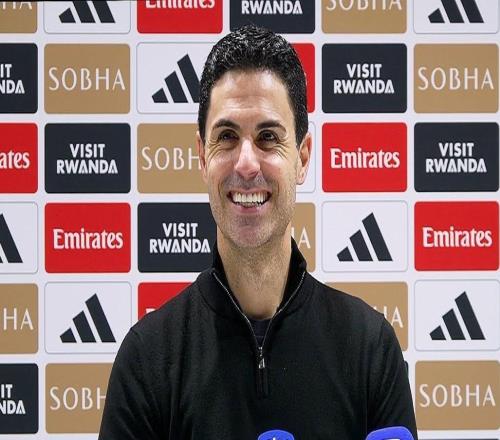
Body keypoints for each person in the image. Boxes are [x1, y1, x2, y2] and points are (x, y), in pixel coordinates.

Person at [99, 25, 418, 440]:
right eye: (227, 137)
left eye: (268, 137)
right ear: (202, 157)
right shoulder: (147, 360)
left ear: (302, 158)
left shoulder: (369, 348)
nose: (246, 163)